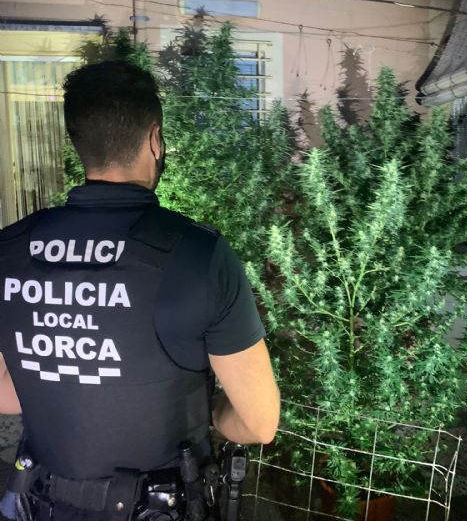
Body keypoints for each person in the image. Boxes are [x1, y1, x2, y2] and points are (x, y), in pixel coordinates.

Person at [0, 61, 280, 521]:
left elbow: (6, 395)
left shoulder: (9, 250)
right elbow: (259, 421)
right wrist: (209, 412)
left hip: (41, 503)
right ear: (154, 139)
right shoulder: (198, 256)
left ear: (78, 143)